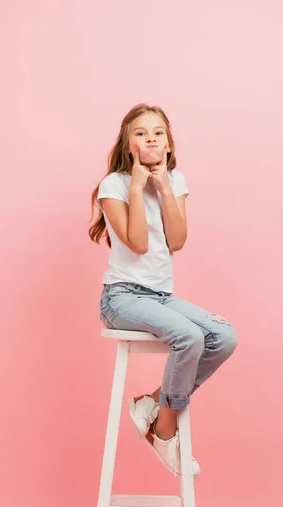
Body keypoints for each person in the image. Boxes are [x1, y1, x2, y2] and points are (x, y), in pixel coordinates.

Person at [89, 103, 238, 477]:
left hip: (159, 295)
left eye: (158, 132)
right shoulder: (115, 185)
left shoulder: (175, 181)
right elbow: (138, 243)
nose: (150, 138)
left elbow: (178, 239)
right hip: (122, 297)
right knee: (189, 337)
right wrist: (138, 188)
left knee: (223, 336)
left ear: (169, 144)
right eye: (140, 133)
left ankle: (154, 404)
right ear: (127, 145)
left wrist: (164, 187)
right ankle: (165, 431)